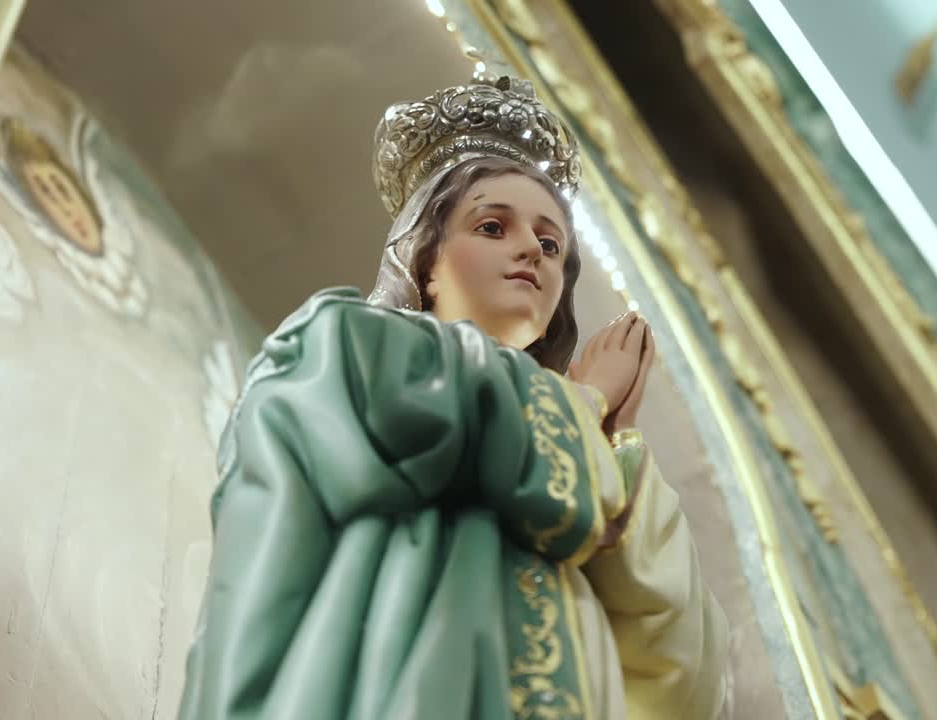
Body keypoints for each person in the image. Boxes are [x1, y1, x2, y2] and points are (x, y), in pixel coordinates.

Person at [179, 75, 727, 720]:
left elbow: (679, 663)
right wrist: (585, 402)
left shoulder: (579, 422)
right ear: (425, 259)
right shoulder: (345, 340)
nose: (531, 250)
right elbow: (422, 438)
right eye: (493, 226)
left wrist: (610, 439)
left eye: (551, 244)